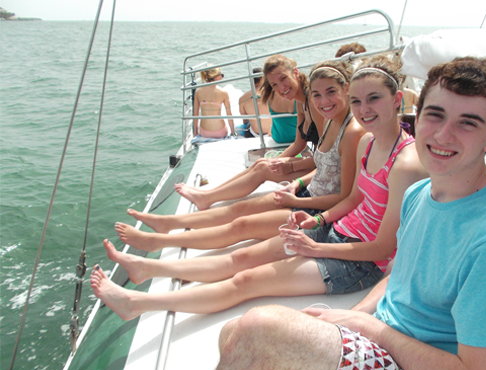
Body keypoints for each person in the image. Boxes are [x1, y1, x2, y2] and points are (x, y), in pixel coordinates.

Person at [203, 57, 486, 370]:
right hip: (383, 343)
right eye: (435, 115)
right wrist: (356, 317)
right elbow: (399, 274)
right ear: (417, 117)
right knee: (235, 336)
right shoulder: (420, 193)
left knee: (257, 331)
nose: (443, 134)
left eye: (468, 123)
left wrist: (368, 328)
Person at [90, 56, 427, 319]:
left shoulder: (405, 163)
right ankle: (148, 267)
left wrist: (316, 247)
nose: (364, 110)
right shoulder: (370, 142)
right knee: (243, 255)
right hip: (336, 230)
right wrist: (317, 222)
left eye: (374, 99)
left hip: (360, 262)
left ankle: (137, 304)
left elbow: (383, 249)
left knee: (246, 281)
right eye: (357, 101)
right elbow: (354, 197)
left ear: (397, 99)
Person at [115, 61, 365, 252]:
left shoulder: (341, 124)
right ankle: (172, 222)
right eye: (274, 84)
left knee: (241, 224)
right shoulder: (320, 114)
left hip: (316, 207)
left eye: (283, 79)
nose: (322, 100)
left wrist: (292, 177)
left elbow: (340, 187)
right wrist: (295, 180)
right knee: (243, 204)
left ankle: (161, 238)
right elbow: (314, 154)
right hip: (308, 192)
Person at [174, 54, 325, 210]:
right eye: (274, 85)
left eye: (283, 79)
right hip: (317, 162)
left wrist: (290, 167)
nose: (281, 88)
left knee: (263, 169)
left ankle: (206, 198)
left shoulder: (313, 103)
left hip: (322, 171)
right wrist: (276, 161)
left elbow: (327, 159)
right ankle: (209, 194)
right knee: (262, 163)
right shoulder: (302, 102)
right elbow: (299, 143)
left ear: (295, 72)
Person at [193, 67, 235, 138]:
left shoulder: (198, 91)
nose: (222, 77)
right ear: (216, 77)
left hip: (204, 132)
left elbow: (195, 115)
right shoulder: (223, 92)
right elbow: (229, 115)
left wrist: (195, 133)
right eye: (222, 75)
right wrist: (233, 132)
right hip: (220, 131)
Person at [236, 67, 272, 138]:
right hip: (271, 131)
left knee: (237, 128)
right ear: (262, 78)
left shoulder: (243, 98)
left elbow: (245, 120)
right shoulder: (272, 94)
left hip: (254, 133)